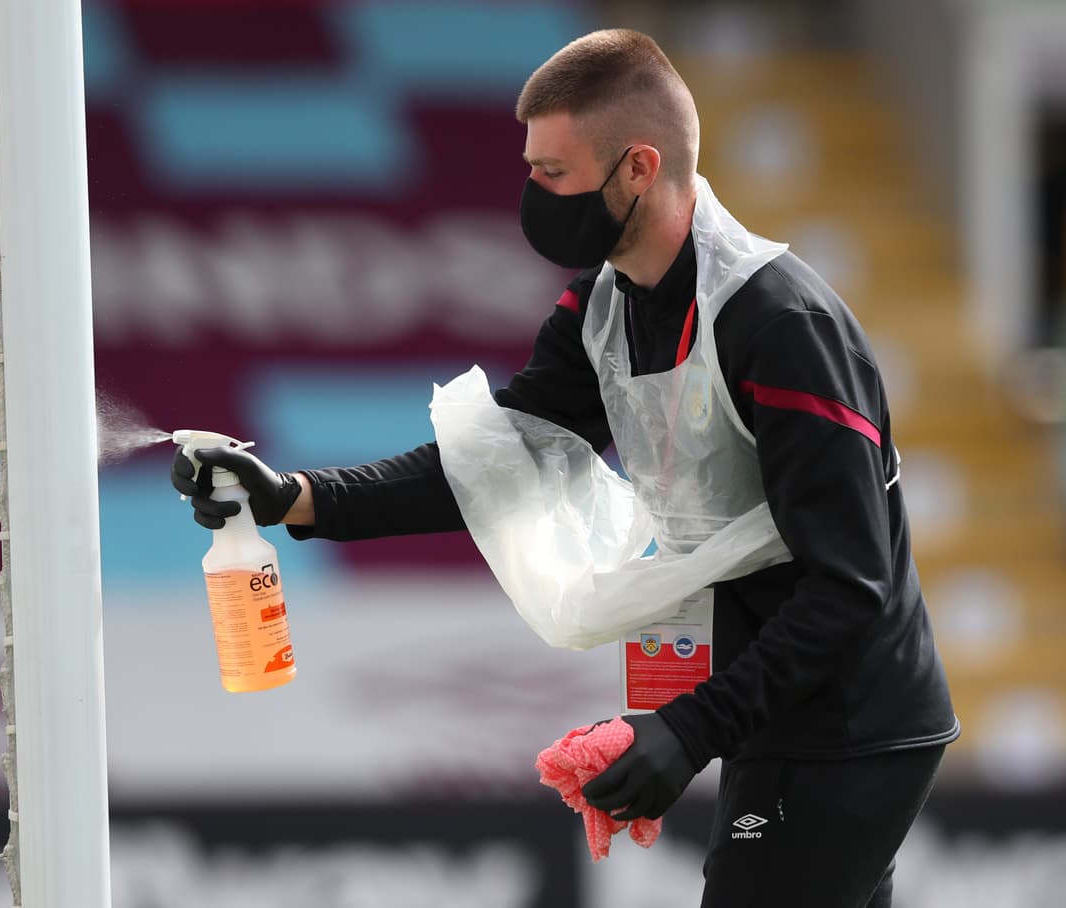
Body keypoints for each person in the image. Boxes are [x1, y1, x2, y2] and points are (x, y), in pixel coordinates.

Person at [170, 28, 959, 908]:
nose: (531, 194)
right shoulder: (603, 307)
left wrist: (688, 729)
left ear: (636, 168)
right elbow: (498, 462)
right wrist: (303, 498)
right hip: (777, 714)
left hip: (851, 722)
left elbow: (853, 587)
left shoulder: (780, 325)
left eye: (553, 171)